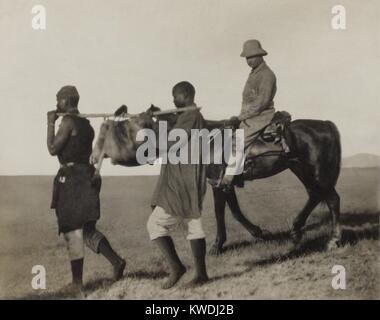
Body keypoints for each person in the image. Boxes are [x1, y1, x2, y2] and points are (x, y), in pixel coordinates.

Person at [47, 85, 126, 293]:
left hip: (73, 181)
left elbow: (53, 149)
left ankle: (77, 283)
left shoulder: (68, 121)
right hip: (86, 176)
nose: (56, 104)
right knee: (87, 229)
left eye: (58, 100)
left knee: (74, 231)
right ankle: (116, 262)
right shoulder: (86, 124)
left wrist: (49, 122)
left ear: (66, 100)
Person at [146, 81, 209, 289]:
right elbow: (177, 125)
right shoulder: (192, 116)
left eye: (175, 96)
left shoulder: (190, 116)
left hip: (181, 181)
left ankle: (176, 268)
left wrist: (152, 124)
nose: (173, 100)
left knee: (154, 224)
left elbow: (168, 143)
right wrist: (163, 116)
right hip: (191, 180)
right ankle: (201, 274)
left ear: (185, 95)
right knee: (194, 223)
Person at [222, 39, 277, 186]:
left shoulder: (267, 75)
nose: (249, 61)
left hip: (261, 116)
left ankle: (229, 178)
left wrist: (241, 117)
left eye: (252, 57)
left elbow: (261, 103)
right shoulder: (254, 73)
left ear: (260, 55)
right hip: (250, 115)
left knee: (238, 141)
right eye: (247, 58)